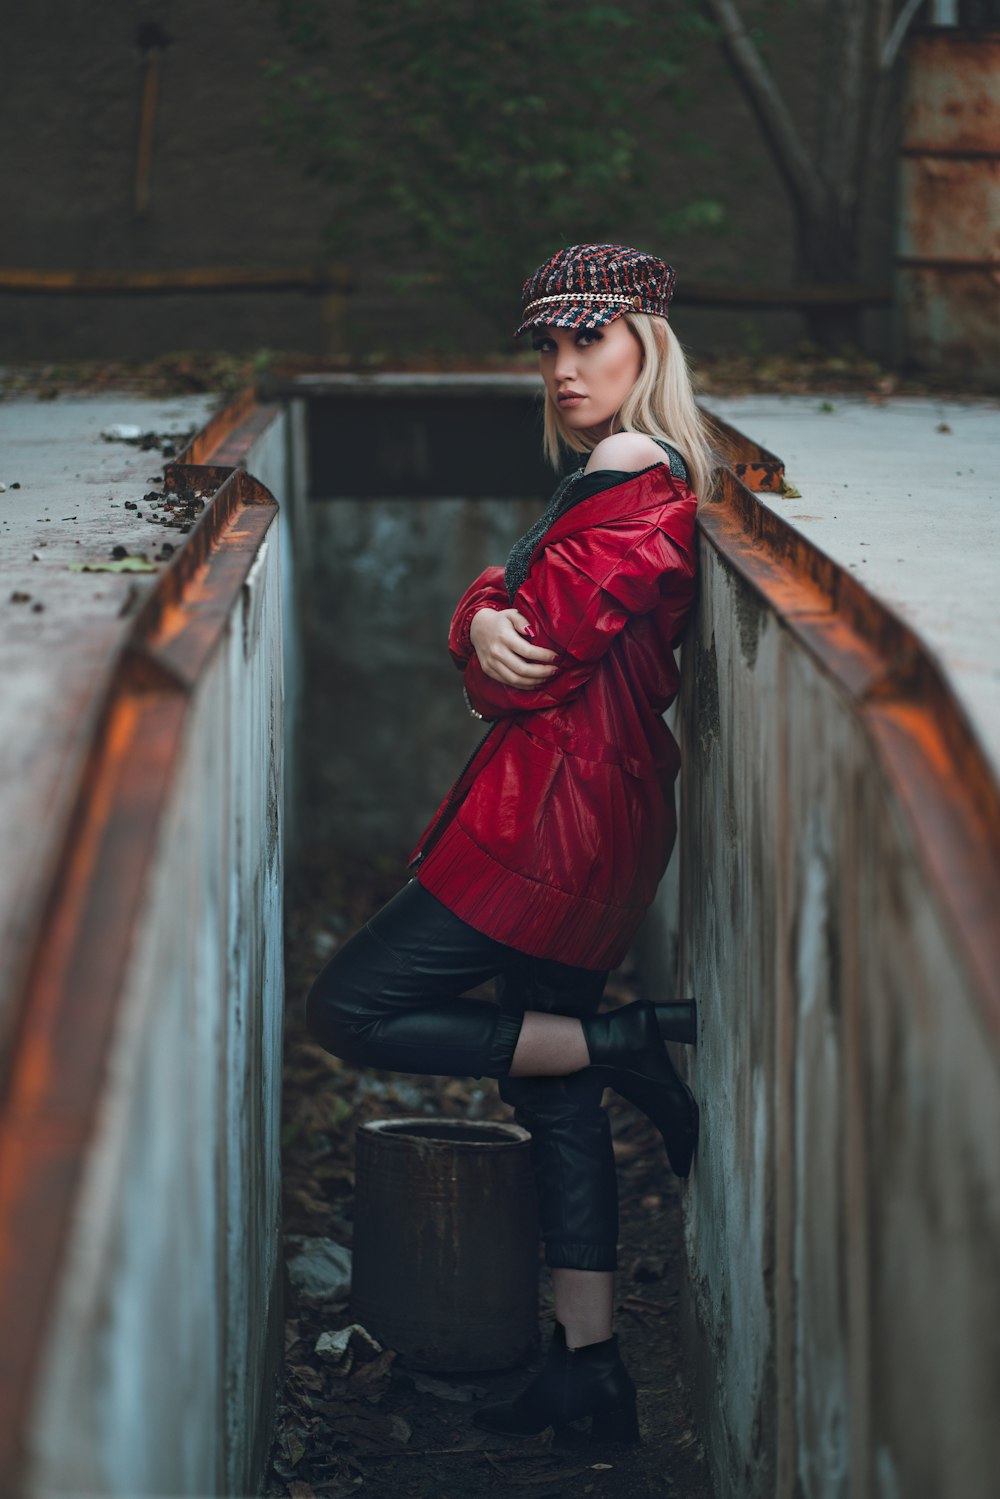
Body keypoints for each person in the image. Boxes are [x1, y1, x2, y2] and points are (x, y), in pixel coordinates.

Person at [305, 242, 716, 1445]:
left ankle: (621, 1037)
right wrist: (479, 613)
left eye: (589, 336)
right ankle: (590, 1366)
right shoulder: (626, 475)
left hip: (550, 814)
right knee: (556, 1089)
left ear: (647, 340)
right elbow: (509, 625)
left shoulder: (631, 468)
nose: (563, 364)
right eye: (548, 342)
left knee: (351, 1007)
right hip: (593, 808)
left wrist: (482, 618)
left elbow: (525, 665)